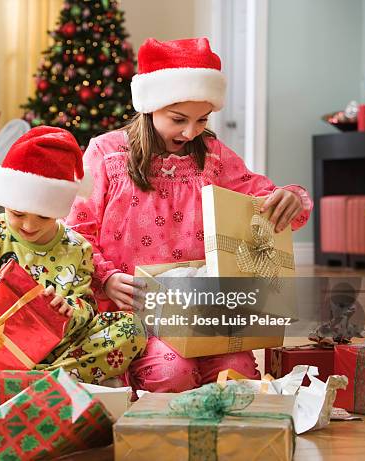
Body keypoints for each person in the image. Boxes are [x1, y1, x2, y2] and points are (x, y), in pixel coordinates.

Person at [65, 37, 314, 393]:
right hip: (134, 311)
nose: (190, 131)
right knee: (172, 372)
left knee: (239, 372)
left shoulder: (212, 155)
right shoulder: (106, 153)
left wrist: (288, 197)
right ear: (151, 106)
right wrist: (104, 278)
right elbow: (76, 229)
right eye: (178, 119)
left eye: (202, 119)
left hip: (204, 310)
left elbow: (259, 195)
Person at [0, 126, 146, 384]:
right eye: (18, 214)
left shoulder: (77, 249)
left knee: (130, 329)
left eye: (43, 216)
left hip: (58, 351)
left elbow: (86, 309)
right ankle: (49, 380)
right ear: (4, 201)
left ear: (59, 210)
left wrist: (69, 310)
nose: (29, 226)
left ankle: (33, 379)